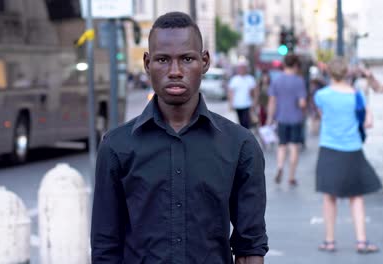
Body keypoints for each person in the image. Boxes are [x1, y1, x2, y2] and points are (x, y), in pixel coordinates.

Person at [91, 12, 268, 264]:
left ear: (204, 62)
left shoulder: (240, 145)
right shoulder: (116, 146)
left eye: (187, 59)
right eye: (163, 60)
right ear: (147, 63)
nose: (175, 71)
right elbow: (105, 247)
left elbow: (250, 247)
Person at [314, 58, 381, 253]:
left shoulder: (321, 95)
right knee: (356, 197)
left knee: (329, 197)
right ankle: (361, 241)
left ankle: (329, 241)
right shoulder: (356, 95)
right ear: (347, 73)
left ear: (329, 74)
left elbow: (322, 115)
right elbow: (367, 123)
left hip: (329, 148)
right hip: (352, 149)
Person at [266, 54, 307, 186]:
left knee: (282, 145)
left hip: (281, 118)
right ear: (295, 65)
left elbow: (272, 101)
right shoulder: (299, 81)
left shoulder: (276, 80)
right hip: (295, 118)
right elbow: (302, 103)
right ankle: (291, 177)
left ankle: (279, 167)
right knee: (294, 147)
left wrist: (270, 118)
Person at [227, 62, 257, 129]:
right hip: (237, 104)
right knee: (240, 121)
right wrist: (230, 103)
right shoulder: (234, 79)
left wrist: (254, 102)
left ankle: (247, 135)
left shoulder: (250, 79)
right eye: (240, 68)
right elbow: (230, 92)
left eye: (243, 68)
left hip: (247, 104)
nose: (241, 70)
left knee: (246, 122)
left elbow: (255, 92)